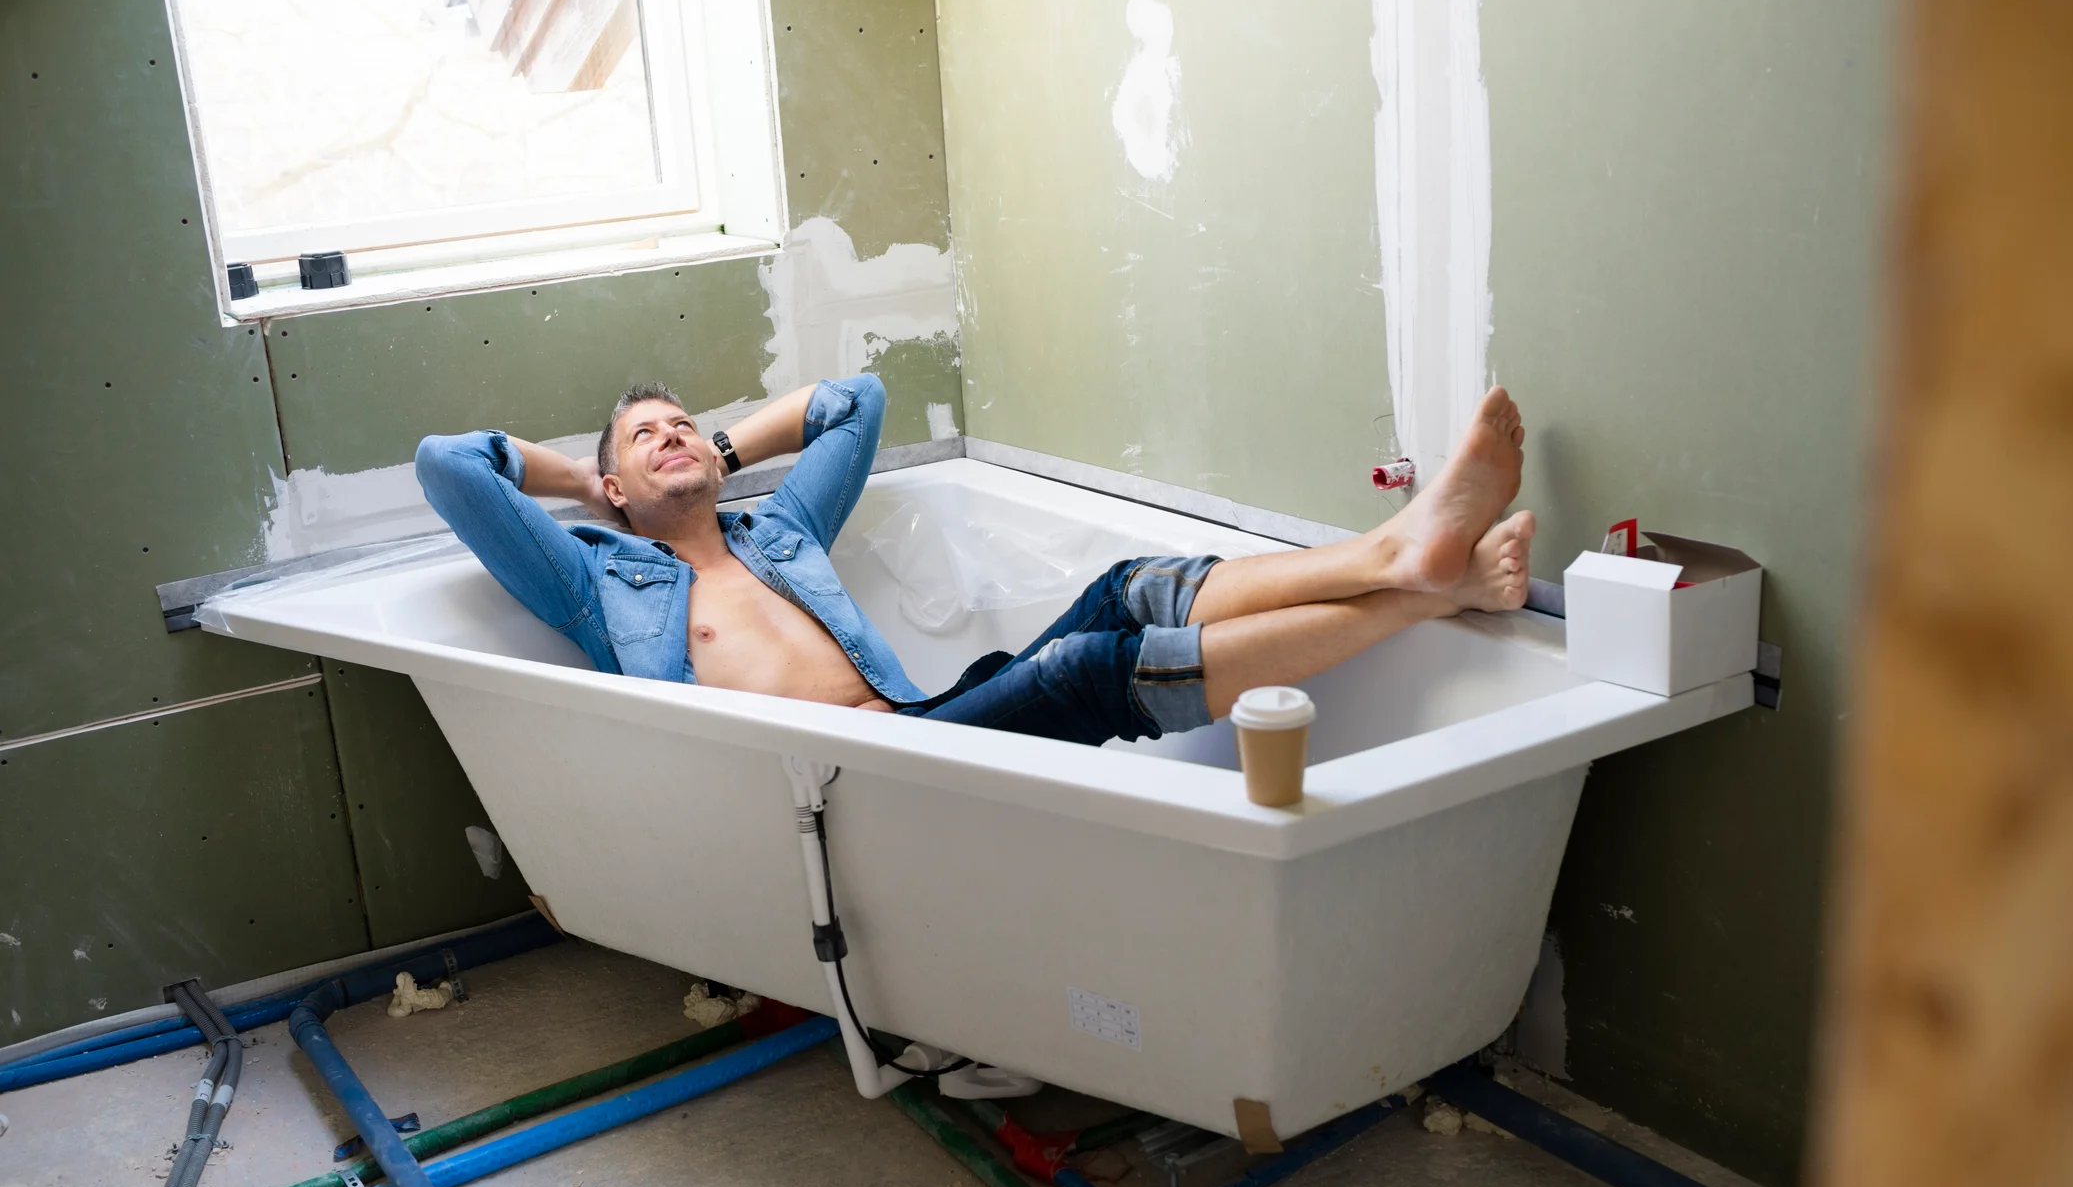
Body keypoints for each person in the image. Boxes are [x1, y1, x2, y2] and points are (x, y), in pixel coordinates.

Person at [414, 375, 1534, 745]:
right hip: (823, 788)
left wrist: (708, 450)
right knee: (1089, 669)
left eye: (682, 425)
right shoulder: (593, 576)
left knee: (1128, 585)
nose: (671, 437)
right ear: (610, 488)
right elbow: (452, 466)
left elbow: (856, 401)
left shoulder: (780, 531)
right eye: (642, 437)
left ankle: (1401, 558)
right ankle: (1411, 588)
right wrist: (590, 488)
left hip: (914, 733)